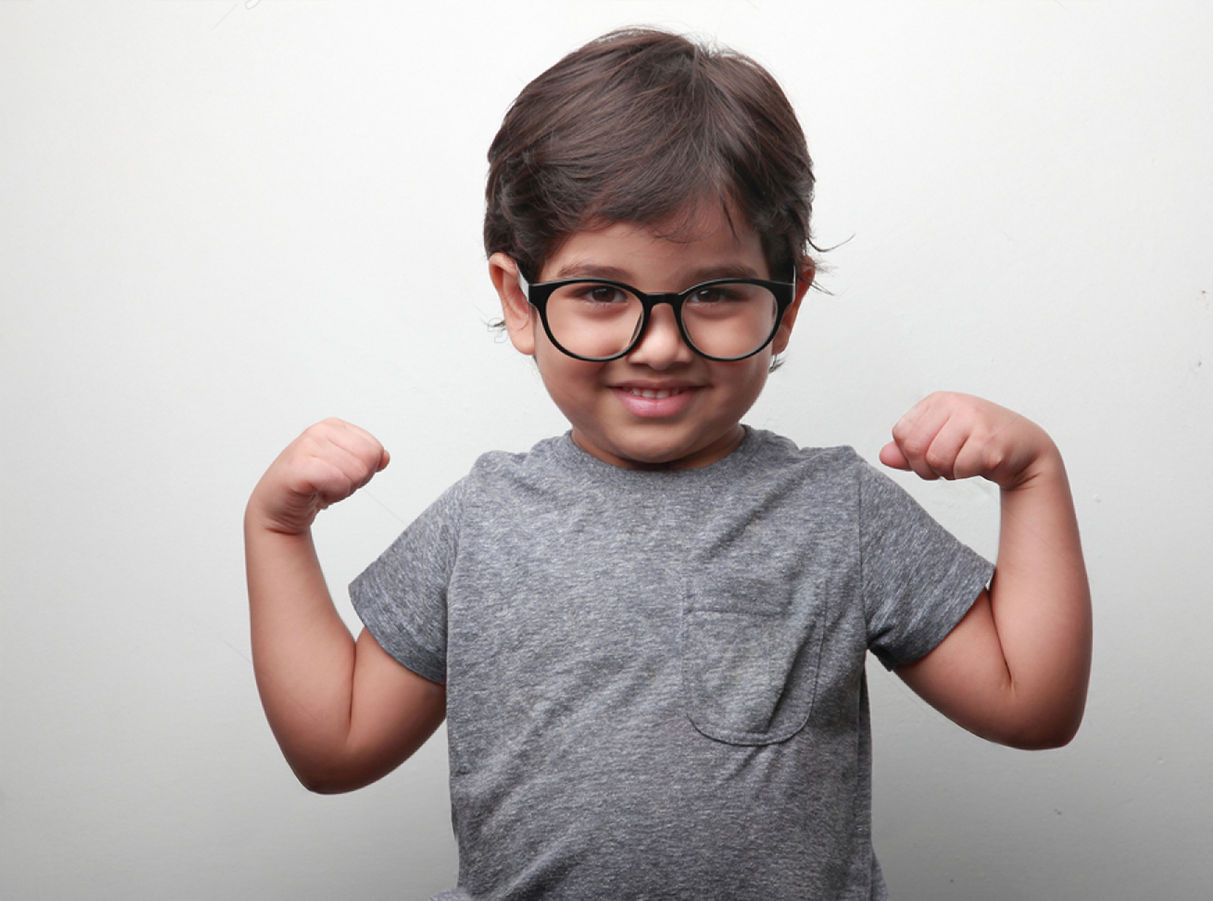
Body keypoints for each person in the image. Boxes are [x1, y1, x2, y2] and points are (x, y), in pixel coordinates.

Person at [245, 27, 1091, 899]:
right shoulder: (482, 519)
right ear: (519, 300)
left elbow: (1031, 705)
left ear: (788, 301)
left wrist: (1033, 479)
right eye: (603, 292)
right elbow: (336, 746)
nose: (657, 345)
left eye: (716, 294)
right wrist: (275, 529)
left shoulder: (838, 511)